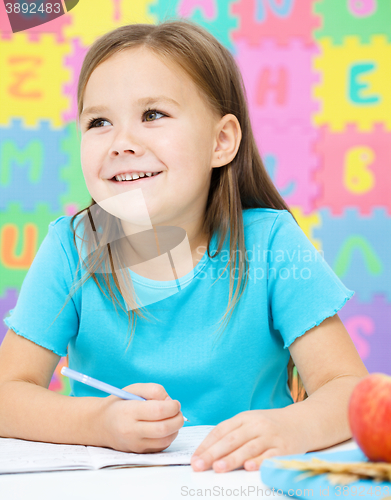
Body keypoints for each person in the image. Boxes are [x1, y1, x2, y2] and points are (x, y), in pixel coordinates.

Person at [0, 19, 368, 474]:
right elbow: (6, 394)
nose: (121, 143)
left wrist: (291, 428)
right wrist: (99, 423)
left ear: (221, 141)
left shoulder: (271, 243)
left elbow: (349, 386)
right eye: (99, 122)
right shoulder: (73, 248)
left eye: (153, 115)